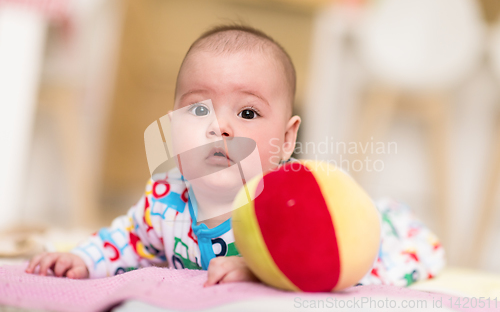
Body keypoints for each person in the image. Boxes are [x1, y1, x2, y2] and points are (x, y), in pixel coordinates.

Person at [25, 24, 445, 287]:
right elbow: (125, 240)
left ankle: (390, 217)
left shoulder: (289, 205)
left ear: (284, 138)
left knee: (392, 249)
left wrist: (261, 271)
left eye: (247, 112)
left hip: (370, 235)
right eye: (199, 109)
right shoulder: (165, 201)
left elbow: (333, 270)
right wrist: (81, 258)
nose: (219, 127)